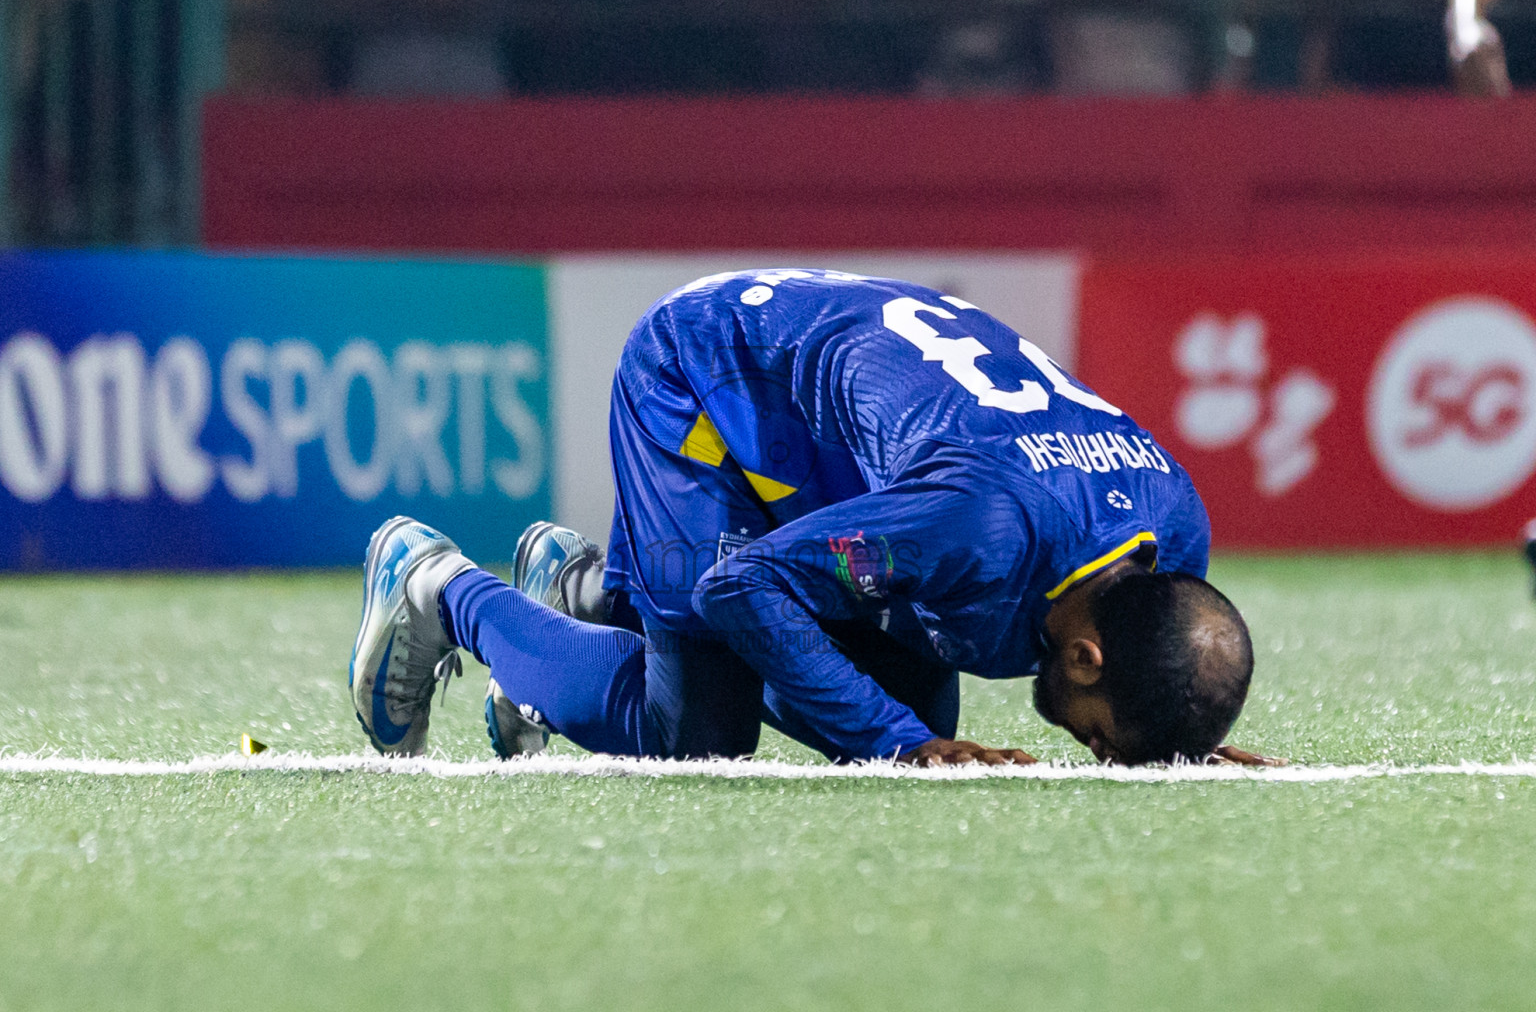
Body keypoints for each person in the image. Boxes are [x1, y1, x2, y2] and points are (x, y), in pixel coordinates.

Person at [349, 269, 1273, 767]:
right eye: (1107, 739)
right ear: (1087, 656)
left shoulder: (1170, 533)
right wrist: (898, 747)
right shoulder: (974, 530)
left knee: (899, 699)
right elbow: (745, 586)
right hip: (708, 381)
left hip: (832, 435)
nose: (1096, 752)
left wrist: (1173, 726)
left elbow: (1159, 658)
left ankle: (594, 598)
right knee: (698, 733)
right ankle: (436, 584)